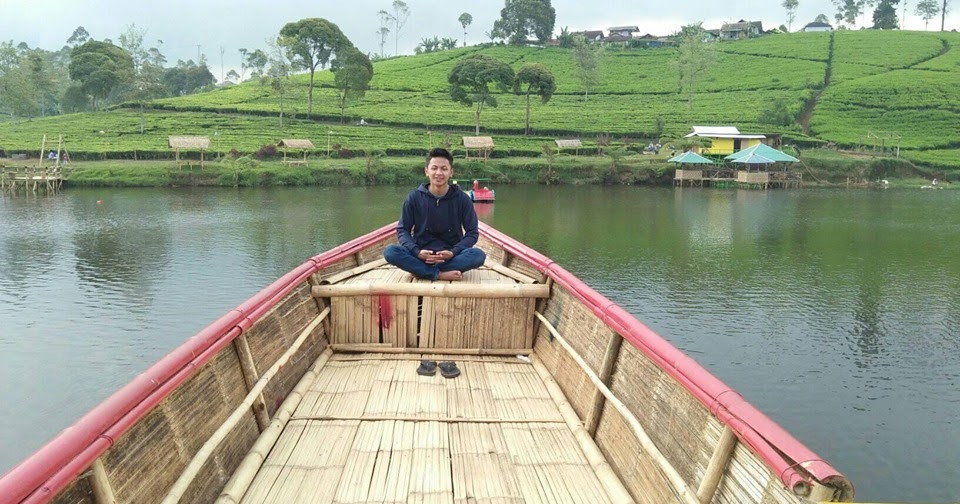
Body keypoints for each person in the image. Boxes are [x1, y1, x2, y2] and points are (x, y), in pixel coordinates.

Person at [383, 147, 486, 281]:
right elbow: (403, 230)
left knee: (478, 255)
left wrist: (453, 252)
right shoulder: (414, 197)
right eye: (434, 168)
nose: (439, 173)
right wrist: (417, 252)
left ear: (451, 172)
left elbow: (472, 233)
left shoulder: (462, 199)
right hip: (421, 255)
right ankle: (438, 274)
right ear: (427, 171)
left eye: (444, 169)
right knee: (390, 252)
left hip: (451, 256)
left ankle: (421, 271)